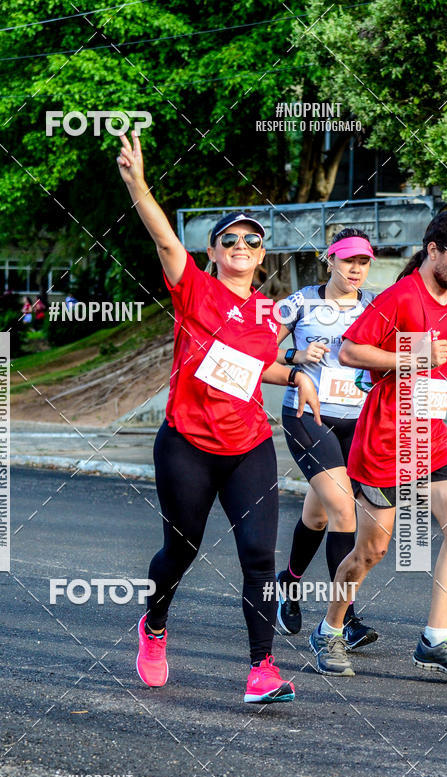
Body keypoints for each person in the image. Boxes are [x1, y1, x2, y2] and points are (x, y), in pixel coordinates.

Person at [116, 131, 321, 703]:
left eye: (252, 240)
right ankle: (153, 627)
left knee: (259, 555)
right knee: (181, 549)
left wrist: (296, 372)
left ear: (261, 255)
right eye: (229, 238)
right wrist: (137, 184)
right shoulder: (195, 291)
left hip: (248, 444)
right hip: (186, 445)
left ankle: (262, 670)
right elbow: (161, 237)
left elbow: (252, 367)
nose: (241, 245)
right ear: (213, 251)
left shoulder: (269, 312)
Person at [311, 209, 447, 679]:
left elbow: (446, 355)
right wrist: (415, 353)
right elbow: (349, 351)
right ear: (433, 249)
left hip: (431, 434)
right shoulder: (398, 297)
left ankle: (435, 639)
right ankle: (329, 630)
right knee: (372, 551)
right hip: (387, 438)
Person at [274, 229, 379, 656]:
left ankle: (289, 585)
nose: (356, 269)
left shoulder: (375, 304)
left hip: (357, 420)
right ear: (329, 260)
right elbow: (258, 349)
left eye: (364, 262)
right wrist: (294, 357)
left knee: (317, 517)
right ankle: (345, 619)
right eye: (348, 260)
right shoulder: (299, 302)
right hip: (307, 415)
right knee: (343, 513)